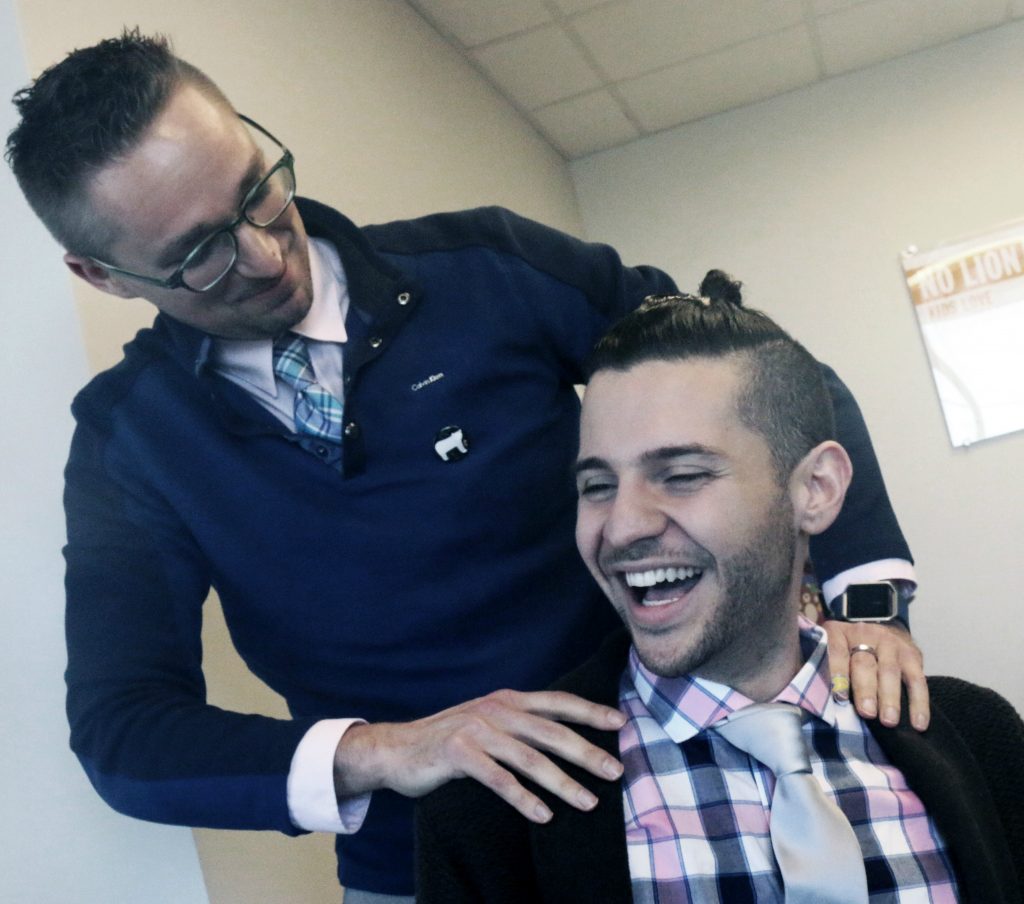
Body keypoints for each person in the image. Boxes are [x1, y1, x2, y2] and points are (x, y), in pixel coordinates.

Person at [7, 30, 927, 901]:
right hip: (422, 855)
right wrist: (385, 751)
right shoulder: (128, 442)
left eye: (257, 191)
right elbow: (124, 734)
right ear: (102, 275)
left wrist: (867, 594)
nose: (263, 253)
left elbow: (772, 377)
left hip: (670, 774)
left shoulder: (491, 266)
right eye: (200, 254)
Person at [415, 281, 1024, 902]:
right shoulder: (491, 810)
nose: (622, 528)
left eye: (681, 476)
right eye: (598, 486)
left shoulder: (982, 741)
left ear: (815, 488)